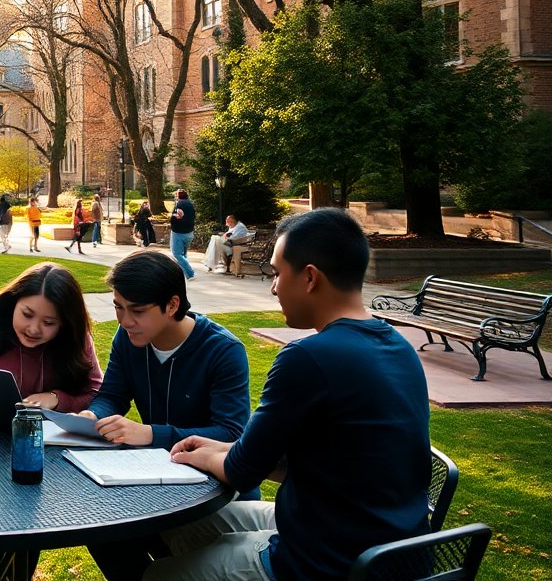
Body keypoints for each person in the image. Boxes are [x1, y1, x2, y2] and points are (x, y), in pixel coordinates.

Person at [153, 209, 431, 581]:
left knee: (158, 576)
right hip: (391, 547)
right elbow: (292, 455)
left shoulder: (309, 357)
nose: (273, 287)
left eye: (278, 273)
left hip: (329, 562)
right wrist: (215, 447)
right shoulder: (398, 347)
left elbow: (240, 471)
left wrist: (200, 457)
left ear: (310, 278)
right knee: (182, 525)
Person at [76, 252, 253, 581]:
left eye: (137, 311)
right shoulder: (129, 338)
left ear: (172, 305)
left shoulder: (223, 350)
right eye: (118, 306)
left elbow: (231, 433)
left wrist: (150, 434)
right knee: (98, 528)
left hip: (216, 491)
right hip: (152, 480)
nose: (124, 320)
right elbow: (112, 395)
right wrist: (92, 415)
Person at [0, 262, 103, 412]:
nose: (34, 329)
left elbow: (98, 393)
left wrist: (56, 399)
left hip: (53, 441)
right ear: (13, 302)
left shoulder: (75, 337)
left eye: (49, 323)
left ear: (64, 324)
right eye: (27, 314)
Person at [169, 188, 197, 280]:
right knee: (183, 255)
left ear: (177, 196)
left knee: (176, 254)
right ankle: (182, 273)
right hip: (189, 232)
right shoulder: (191, 204)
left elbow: (179, 215)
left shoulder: (179, 204)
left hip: (179, 232)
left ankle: (190, 273)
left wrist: (173, 216)